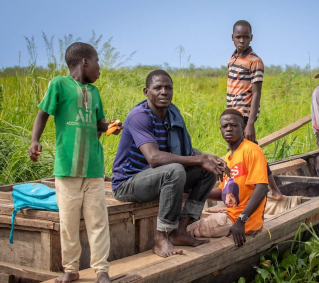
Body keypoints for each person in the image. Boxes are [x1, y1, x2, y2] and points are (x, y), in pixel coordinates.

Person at [29, 42, 120, 283]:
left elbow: (98, 124)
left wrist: (109, 126)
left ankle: (101, 269)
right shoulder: (59, 84)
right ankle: (71, 269)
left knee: (97, 220)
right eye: (98, 62)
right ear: (84, 62)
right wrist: (35, 141)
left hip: (93, 168)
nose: (100, 68)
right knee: (68, 222)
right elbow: (43, 114)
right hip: (67, 167)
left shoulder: (95, 92)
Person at [112, 70, 226, 258]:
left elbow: (183, 151)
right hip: (129, 183)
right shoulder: (139, 116)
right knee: (175, 171)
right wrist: (198, 159)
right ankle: (160, 238)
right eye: (158, 88)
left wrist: (207, 157)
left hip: (156, 178)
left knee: (207, 172)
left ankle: (180, 231)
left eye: (168, 88)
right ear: (146, 91)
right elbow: (155, 158)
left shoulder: (172, 113)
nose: (164, 92)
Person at [187, 109, 269, 247]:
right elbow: (224, 193)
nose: (229, 129)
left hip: (239, 220)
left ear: (242, 127)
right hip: (230, 215)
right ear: (220, 130)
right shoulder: (228, 159)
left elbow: (262, 188)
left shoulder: (252, 150)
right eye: (225, 126)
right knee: (184, 221)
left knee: (183, 231)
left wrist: (241, 221)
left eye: (234, 125)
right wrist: (194, 192)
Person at [227, 20, 283, 200]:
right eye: (238, 37)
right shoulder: (233, 58)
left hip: (244, 116)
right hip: (233, 115)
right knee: (243, 152)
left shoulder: (255, 61)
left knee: (251, 151)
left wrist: (250, 122)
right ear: (232, 38)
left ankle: (273, 190)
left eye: (245, 37)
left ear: (251, 38)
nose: (241, 40)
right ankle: (245, 189)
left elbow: (256, 93)